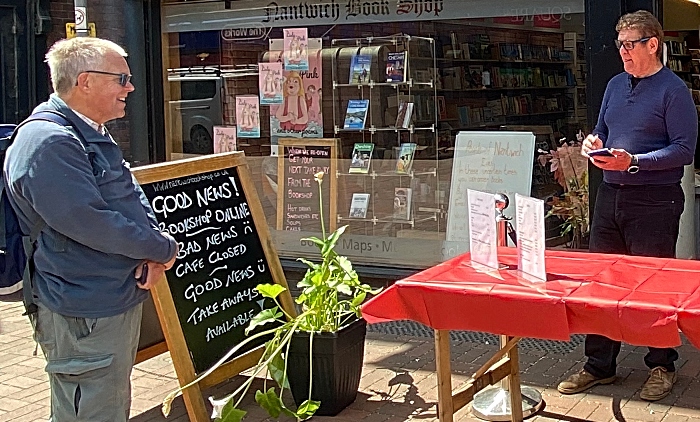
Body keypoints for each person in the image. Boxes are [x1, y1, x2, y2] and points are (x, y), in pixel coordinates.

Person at [3, 37, 178, 421]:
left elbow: (127, 193)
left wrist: (149, 250)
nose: (130, 87)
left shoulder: (86, 129)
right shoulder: (49, 142)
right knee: (91, 411)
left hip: (104, 298)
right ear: (85, 81)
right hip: (83, 306)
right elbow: (92, 223)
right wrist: (162, 249)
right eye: (121, 79)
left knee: (108, 403)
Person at [557, 10, 697, 402]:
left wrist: (634, 161)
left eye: (630, 44)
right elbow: (602, 129)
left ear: (653, 44)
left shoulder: (674, 90)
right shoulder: (616, 85)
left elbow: (684, 150)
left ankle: (661, 365)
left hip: (654, 199)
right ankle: (599, 365)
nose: (623, 52)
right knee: (601, 284)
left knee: (653, 288)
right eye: (619, 44)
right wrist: (592, 144)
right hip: (611, 195)